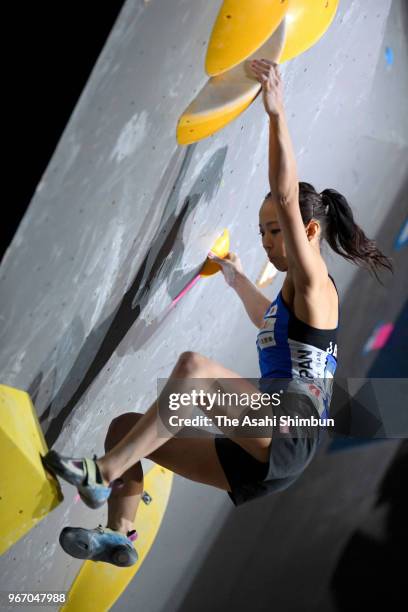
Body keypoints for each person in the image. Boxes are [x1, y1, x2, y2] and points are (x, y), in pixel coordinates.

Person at [42, 59, 393, 567]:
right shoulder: (294, 303)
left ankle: (101, 474)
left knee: (193, 370)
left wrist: (277, 113)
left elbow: (286, 194)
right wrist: (233, 275)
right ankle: (119, 535)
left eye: (277, 229)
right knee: (125, 427)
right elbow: (265, 319)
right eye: (264, 232)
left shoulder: (316, 282)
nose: (270, 239)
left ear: (308, 233)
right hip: (268, 448)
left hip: (287, 426)